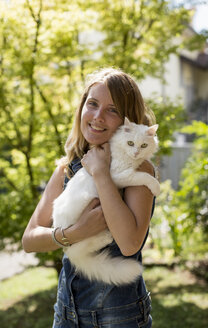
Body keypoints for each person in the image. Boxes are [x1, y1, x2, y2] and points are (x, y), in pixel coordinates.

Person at [22, 67, 156, 328]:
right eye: (92, 104)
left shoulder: (140, 170)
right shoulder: (66, 168)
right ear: (82, 108)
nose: (97, 116)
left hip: (118, 316)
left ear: (128, 122)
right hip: (65, 311)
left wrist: (101, 173)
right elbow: (29, 240)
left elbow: (129, 244)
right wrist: (76, 232)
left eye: (113, 110)